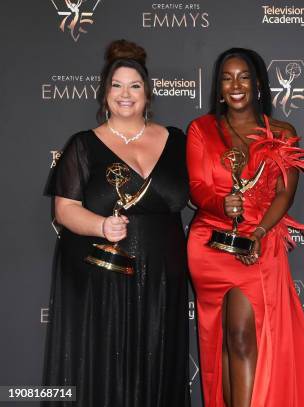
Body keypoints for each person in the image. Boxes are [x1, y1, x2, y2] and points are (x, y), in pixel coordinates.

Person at [186, 48, 304, 407]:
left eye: (243, 77)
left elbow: (285, 193)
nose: (235, 85)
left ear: (257, 84)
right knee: (221, 341)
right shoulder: (202, 129)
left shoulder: (282, 132)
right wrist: (220, 202)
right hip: (209, 243)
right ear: (219, 86)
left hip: (257, 241)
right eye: (227, 77)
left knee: (241, 336)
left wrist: (257, 233)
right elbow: (198, 187)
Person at [42, 40, 190, 407]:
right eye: (117, 86)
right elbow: (64, 209)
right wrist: (101, 227)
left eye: (135, 86)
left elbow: (200, 192)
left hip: (162, 278)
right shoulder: (83, 145)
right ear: (104, 94)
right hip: (103, 279)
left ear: (148, 94)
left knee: (159, 362)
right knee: (108, 369)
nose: (126, 94)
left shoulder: (176, 140)